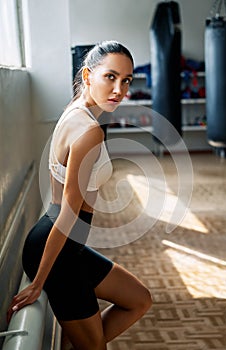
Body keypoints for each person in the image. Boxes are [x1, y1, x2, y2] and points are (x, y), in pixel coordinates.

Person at [7, 40, 152, 350]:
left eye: (126, 80)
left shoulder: (76, 111)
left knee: (139, 299)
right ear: (88, 76)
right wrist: (39, 282)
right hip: (59, 248)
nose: (119, 89)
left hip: (65, 243)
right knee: (94, 346)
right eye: (110, 77)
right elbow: (69, 212)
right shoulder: (89, 131)